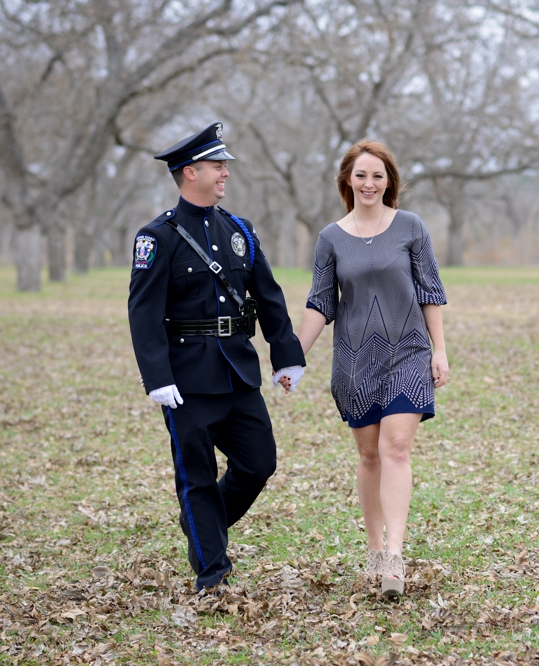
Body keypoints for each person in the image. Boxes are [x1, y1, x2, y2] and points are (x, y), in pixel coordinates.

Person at [127, 122, 306, 592]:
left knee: (259, 462)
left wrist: (286, 355)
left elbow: (268, 296)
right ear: (190, 173)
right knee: (198, 478)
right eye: (216, 165)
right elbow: (142, 312)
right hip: (185, 380)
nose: (225, 172)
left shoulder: (239, 231)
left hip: (237, 371)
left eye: (224, 165)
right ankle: (213, 573)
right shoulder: (158, 237)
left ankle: (201, 528)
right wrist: (156, 376)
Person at [294, 141, 447, 600]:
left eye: (378, 176)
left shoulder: (410, 228)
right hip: (356, 361)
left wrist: (440, 350)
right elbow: (321, 303)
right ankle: (375, 549)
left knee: (396, 447)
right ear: (347, 180)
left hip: (408, 353)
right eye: (361, 175)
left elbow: (430, 291)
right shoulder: (331, 238)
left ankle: (395, 558)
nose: (369, 183)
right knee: (370, 456)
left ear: (389, 182)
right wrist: (293, 356)